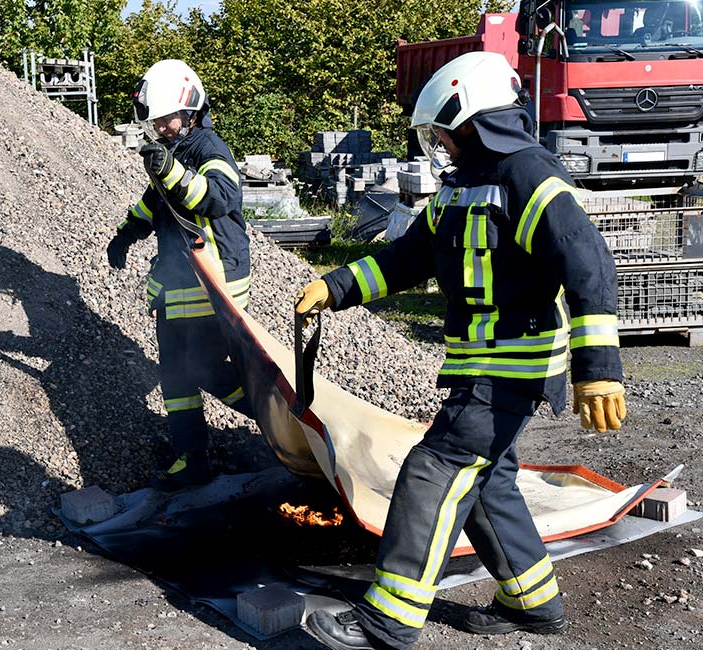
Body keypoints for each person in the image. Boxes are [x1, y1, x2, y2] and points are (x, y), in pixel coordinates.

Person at [297, 51, 627, 650]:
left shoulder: (528, 175)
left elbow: (588, 261)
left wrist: (599, 369)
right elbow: (409, 259)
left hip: (510, 366)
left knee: (434, 469)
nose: (440, 145)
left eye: (445, 133)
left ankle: (388, 621)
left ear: (471, 119)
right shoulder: (460, 189)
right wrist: (338, 284)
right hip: (478, 365)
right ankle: (533, 602)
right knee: (488, 481)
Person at [106, 59, 252, 491]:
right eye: (155, 123)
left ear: (189, 109)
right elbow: (156, 203)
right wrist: (125, 235)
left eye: (165, 120)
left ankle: (274, 416)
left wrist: (168, 168)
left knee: (202, 367)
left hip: (214, 283)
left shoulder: (210, 149)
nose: (160, 129)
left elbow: (220, 198)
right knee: (176, 376)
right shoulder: (176, 150)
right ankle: (190, 458)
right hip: (177, 285)